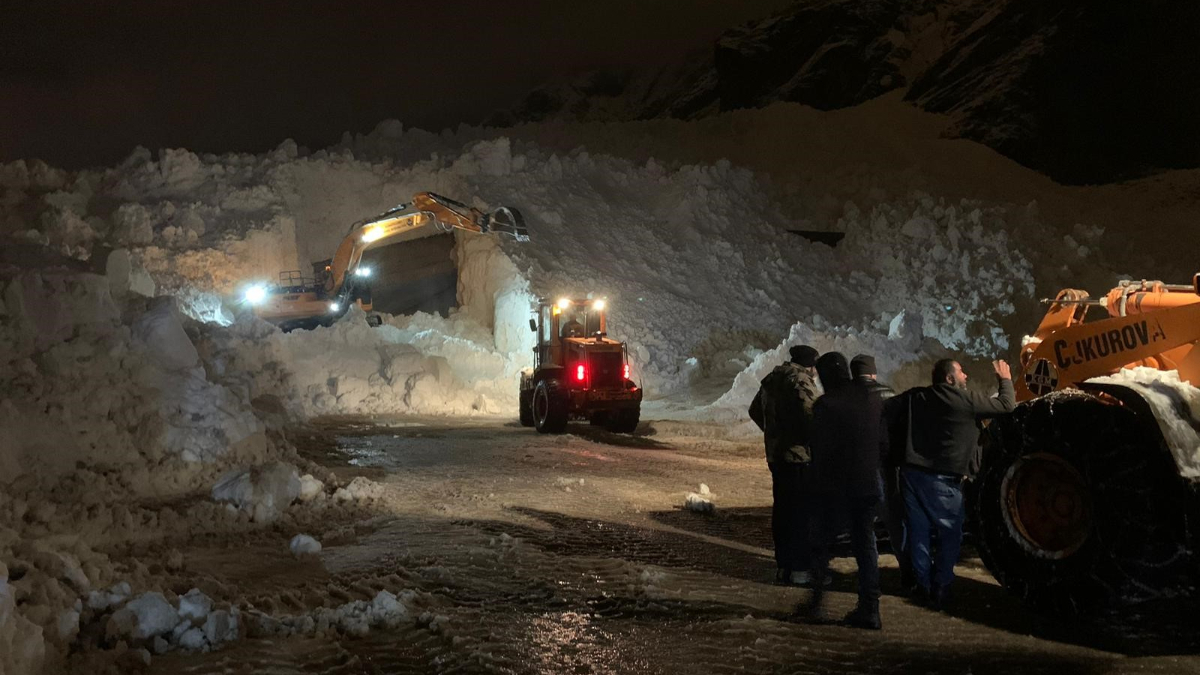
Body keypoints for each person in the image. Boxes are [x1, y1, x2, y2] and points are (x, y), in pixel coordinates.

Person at [895, 358, 1014, 610]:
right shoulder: (964, 401)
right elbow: (1006, 405)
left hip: (911, 475)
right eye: (961, 372)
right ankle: (941, 587)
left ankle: (922, 585)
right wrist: (1005, 379)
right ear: (949, 379)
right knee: (950, 534)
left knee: (918, 533)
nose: (966, 376)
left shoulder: (917, 397)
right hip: (942, 481)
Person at [803, 351, 887, 629]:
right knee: (866, 547)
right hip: (868, 484)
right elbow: (883, 441)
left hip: (835, 488)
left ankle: (815, 602)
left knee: (820, 544)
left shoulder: (826, 405)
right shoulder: (870, 398)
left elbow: (819, 451)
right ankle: (870, 608)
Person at [749, 344, 820, 585]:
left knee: (782, 510)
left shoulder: (772, 379)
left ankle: (784, 565)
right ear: (809, 365)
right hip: (798, 456)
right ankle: (800, 568)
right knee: (800, 512)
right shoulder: (801, 380)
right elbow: (812, 416)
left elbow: (754, 410)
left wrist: (773, 433)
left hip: (776, 456)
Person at [851, 354, 911, 591]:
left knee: (862, 526)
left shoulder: (845, 395)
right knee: (896, 522)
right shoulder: (888, 394)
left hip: (856, 469)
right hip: (885, 467)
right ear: (873, 373)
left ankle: (868, 579)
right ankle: (908, 572)